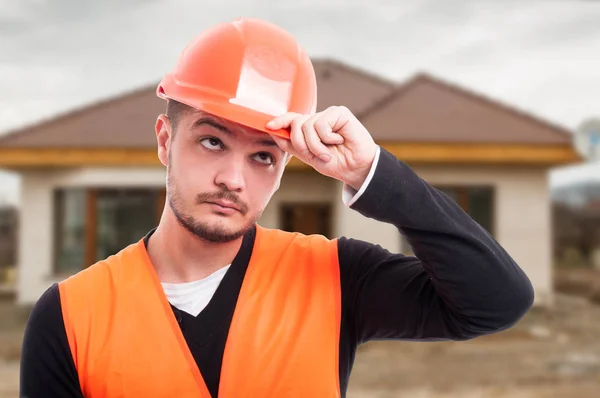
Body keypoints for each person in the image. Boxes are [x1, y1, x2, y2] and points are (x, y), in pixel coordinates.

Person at [20, 17, 534, 398]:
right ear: (164, 139)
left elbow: (496, 301)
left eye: (263, 156)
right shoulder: (69, 316)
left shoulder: (334, 276)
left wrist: (371, 173)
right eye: (213, 142)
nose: (233, 179)